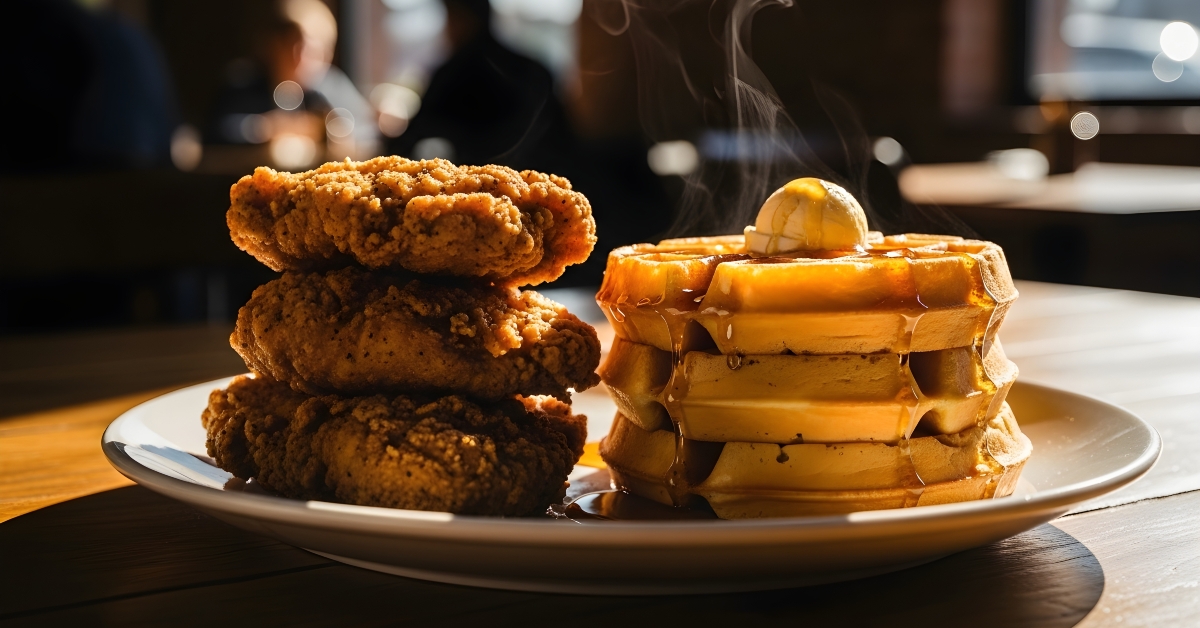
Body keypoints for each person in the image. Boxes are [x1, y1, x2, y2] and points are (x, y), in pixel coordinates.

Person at [388, 0, 574, 171]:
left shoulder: (457, 70)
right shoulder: (532, 68)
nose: (447, 28)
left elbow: (415, 134)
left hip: (471, 187)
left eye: (450, 17)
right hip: (535, 174)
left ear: (465, 18)